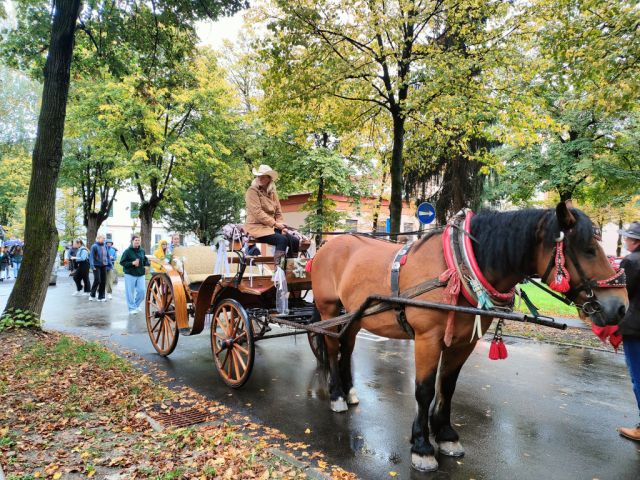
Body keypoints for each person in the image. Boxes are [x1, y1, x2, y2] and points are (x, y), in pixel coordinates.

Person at [244, 164, 299, 269]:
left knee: (295, 241)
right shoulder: (252, 191)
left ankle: (291, 268)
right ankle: (279, 272)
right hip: (256, 227)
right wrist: (276, 224)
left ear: (269, 179)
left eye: (263, 176)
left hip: (270, 227)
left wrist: (282, 226)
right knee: (282, 240)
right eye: (258, 176)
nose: (260, 178)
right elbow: (258, 213)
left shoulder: (273, 193)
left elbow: (278, 212)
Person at [617, 221, 640, 442]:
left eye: (628, 238)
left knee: (638, 378)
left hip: (635, 328)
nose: (625, 241)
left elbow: (622, 293)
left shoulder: (632, 262)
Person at [120, 235, 150, 315]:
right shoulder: (127, 251)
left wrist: (147, 265)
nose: (137, 242)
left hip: (140, 273)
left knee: (142, 291)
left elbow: (145, 259)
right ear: (132, 241)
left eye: (138, 240)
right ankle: (131, 308)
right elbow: (122, 262)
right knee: (130, 292)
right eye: (136, 240)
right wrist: (132, 263)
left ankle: (136, 305)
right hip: (130, 274)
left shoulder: (142, 251)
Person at [89, 234, 112, 302]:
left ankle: (101, 297)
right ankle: (92, 294)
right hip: (96, 266)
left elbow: (107, 256)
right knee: (97, 280)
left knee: (103, 281)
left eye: (104, 238)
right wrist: (92, 265)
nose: (104, 239)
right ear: (98, 238)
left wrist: (110, 264)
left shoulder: (105, 246)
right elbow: (91, 256)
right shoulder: (94, 246)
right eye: (103, 238)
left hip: (104, 265)